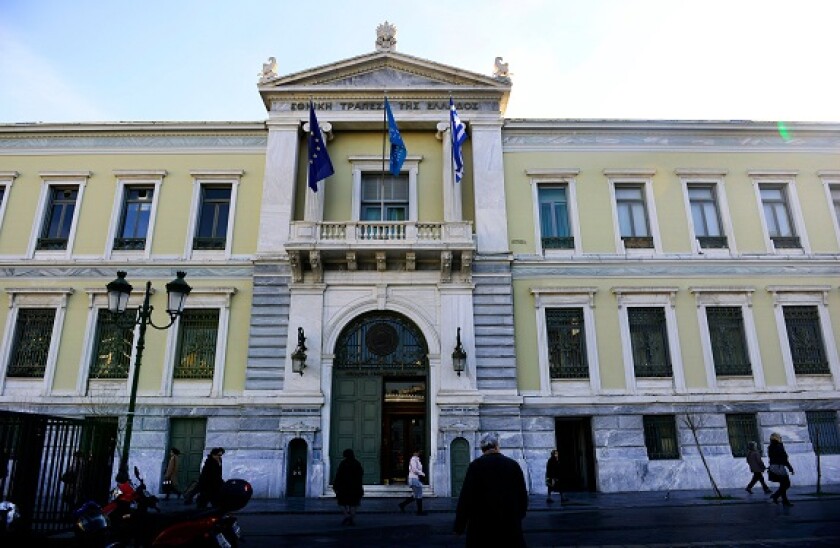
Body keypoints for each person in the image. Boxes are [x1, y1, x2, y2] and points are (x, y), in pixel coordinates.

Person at [453, 433, 528, 547]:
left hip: (482, 526)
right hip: (508, 525)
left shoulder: (476, 466)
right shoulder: (512, 465)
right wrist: (518, 516)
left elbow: (466, 498)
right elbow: (522, 495)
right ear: (497, 446)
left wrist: (459, 526)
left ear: (482, 448)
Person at [333, 448, 364, 525]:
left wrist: (336, 486)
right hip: (355, 487)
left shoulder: (343, 464)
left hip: (344, 488)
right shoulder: (357, 463)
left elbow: (338, 475)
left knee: (341, 503)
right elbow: (360, 475)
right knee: (353, 504)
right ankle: (351, 519)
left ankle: (347, 516)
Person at [767, 432, 795, 506]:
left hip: (773, 467)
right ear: (777, 438)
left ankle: (785, 501)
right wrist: (790, 468)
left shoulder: (770, 446)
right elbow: (784, 458)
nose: (781, 438)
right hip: (779, 467)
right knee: (787, 484)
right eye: (780, 437)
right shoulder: (779, 446)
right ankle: (775, 496)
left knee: (783, 485)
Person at [398, 449, 427, 515]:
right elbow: (414, 469)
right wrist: (422, 473)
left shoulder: (417, 459)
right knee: (419, 495)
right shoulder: (413, 459)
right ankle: (419, 511)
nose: (419, 453)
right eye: (418, 452)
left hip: (415, 478)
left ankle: (402, 505)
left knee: (415, 495)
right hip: (414, 479)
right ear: (415, 452)